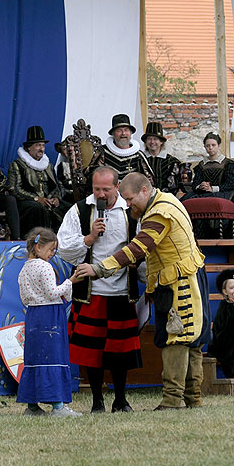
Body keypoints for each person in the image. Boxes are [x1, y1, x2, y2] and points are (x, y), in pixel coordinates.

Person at [75, 172, 211, 410]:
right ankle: (192, 399)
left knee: (176, 338)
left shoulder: (160, 212)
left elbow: (137, 249)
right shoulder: (166, 200)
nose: (127, 204)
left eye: (130, 199)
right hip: (183, 277)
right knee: (191, 341)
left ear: (145, 191)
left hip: (179, 282)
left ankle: (172, 401)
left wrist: (100, 268)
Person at [57, 166, 142, 413]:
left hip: (121, 291)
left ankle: (121, 399)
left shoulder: (131, 211)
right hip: (90, 293)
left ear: (117, 187)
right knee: (91, 352)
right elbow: (64, 248)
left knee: (120, 351)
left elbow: (141, 247)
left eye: (106, 189)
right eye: (96, 189)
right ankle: (97, 400)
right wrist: (89, 238)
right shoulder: (80, 210)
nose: (101, 194)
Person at [16, 227, 83, 417]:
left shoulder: (24, 268)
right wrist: (71, 281)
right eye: (51, 250)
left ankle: (32, 406)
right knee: (53, 356)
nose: (53, 254)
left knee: (35, 357)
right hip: (50, 316)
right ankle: (58, 406)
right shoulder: (44, 267)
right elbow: (53, 292)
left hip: (33, 317)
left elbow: (23, 298)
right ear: (38, 247)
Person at [8, 126, 68, 238]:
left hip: (47, 201)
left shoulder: (48, 165)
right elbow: (14, 189)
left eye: (43, 145)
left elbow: (58, 185)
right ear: (28, 148)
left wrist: (56, 198)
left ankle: (64, 243)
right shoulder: (17, 165)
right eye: (38, 145)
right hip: (27, 203)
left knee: (69, 208)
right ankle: (41, 241)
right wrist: (36, 199)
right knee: (38, 209)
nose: (41, 149)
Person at [84, 114, 154, 192]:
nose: (123, 133)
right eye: (119, 130)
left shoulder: (139, 156)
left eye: (126, 130)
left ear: (130, 133)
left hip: (133, 197)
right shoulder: (103, 152)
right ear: (113, 134)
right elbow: (92, 175)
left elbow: (148, 181)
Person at [181, 132, 234, 202]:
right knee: (185, 199)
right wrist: (201, 186)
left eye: (213, 145)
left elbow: (231, 184)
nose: (210, 148)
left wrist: (212, 189)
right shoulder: (201, 166)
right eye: (207, 146)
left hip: (224, 193)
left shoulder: (229, 164)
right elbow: (195, 184)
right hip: (204, 193)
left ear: (219, 146)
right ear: (204, 147)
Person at [141, 121, 181, 194]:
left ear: (161, 142)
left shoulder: (171, 162)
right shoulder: (139, 160)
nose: (152, 142)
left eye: (155, 139)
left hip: (166, 199)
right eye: (149, 139)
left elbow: (173, 186)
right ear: (146, 142)